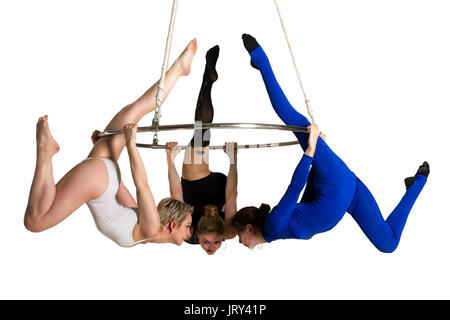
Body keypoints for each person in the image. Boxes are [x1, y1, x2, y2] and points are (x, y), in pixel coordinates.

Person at [231, 34, 429, 253]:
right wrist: (315, 158)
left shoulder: (273, 225)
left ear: (248, 228)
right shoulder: (276, 232)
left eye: (239, 235)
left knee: (295, 122)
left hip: (335, 184)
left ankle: (261, 60)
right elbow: (308, 200)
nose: (240, 241)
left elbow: (295, 189)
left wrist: (311, 152)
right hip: (348, 193)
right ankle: (417, 183)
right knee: (388, 244)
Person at [24, 39, 198, 247]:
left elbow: (121, 187)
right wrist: (129, 144)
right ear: (172, 225)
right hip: (99, 180)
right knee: (34, 222)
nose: (190, 233)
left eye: (188, 227)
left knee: (134, 110)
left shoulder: (144, 231)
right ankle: (45, 153)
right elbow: (141, 184)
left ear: (171, 225)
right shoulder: (149, 228)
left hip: (104, 177)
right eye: (188, 227)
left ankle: (178, 70)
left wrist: (113, 146)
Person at [164, 45, 238, 251]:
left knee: (202, 132)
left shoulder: (195, 235)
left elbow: (175, 194)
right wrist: (232, 159)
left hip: (206, 179)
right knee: (201, 130)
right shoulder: (228, 231)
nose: (211, 246)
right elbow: (232, 194)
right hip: (199, 179)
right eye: (214, 242)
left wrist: (170, 160)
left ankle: (208, 79)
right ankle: (208, 80)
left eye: (207, 243)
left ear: (199, 234)